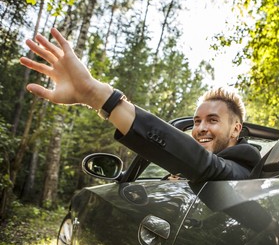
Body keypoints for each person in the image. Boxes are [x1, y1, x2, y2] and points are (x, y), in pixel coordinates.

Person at [20, 28, 261, 183]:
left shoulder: (245, 168)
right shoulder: (184, 173)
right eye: (197, 121)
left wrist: (99, 96)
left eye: (213, 120)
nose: (200, 128)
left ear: (236, 129)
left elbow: (206, 166)